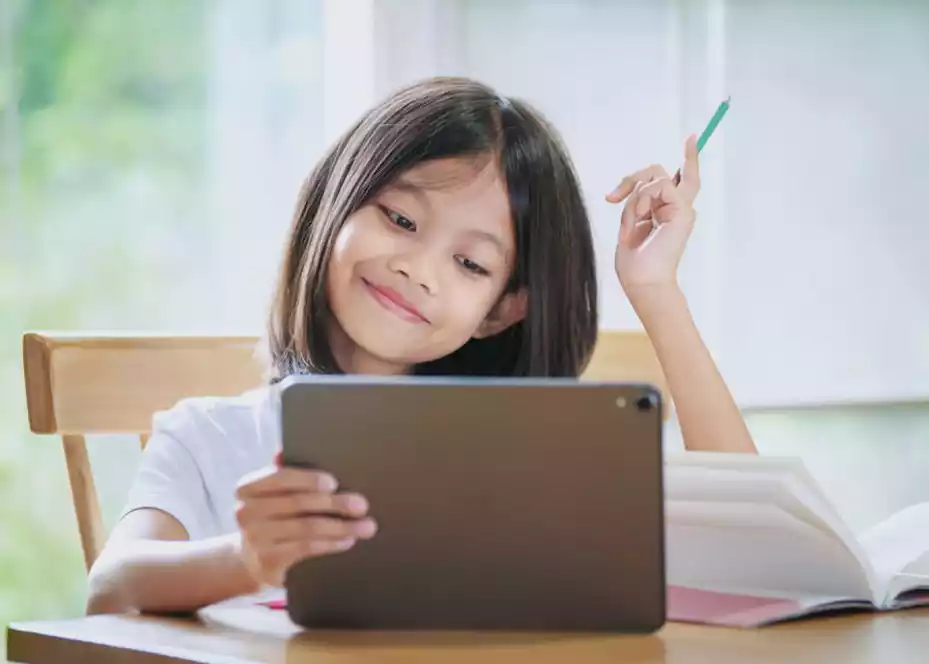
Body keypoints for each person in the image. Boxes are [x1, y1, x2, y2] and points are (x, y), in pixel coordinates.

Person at [86, 76, 757, 615]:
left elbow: (750, 540)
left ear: (501, 311)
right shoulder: (210, 436)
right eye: (400, 219)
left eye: (470, 265)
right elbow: (112, 587)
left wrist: (653, 288)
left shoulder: (545, 453)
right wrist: (244, 561)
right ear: (335, 205)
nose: (418, 268)